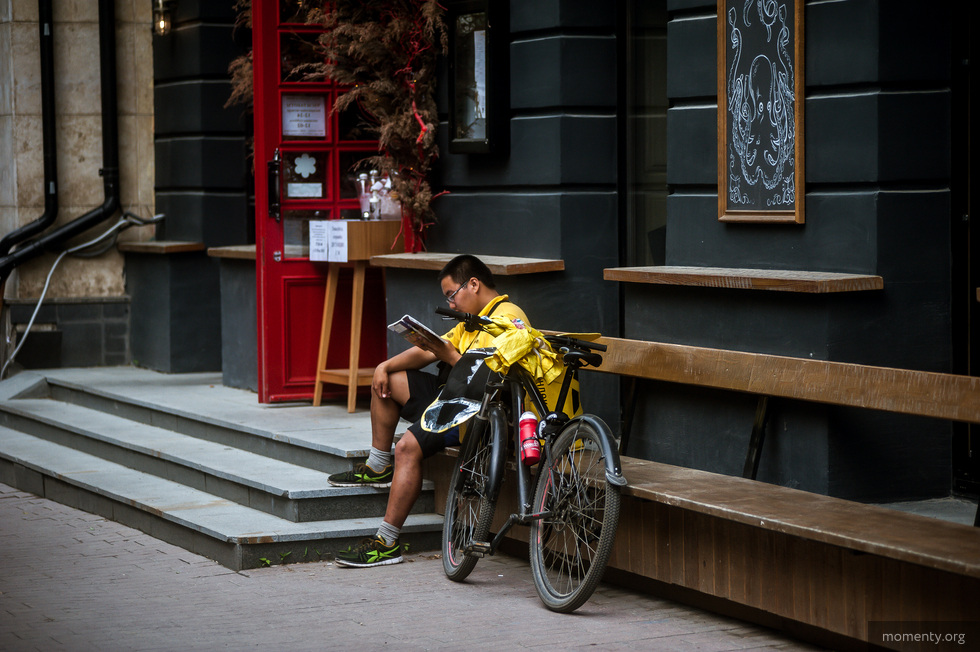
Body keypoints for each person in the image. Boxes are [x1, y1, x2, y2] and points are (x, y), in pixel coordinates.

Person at [328, 254, 531, 568]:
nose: (450, 304)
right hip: (449, 395)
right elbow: (428, 350)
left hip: (475, 413)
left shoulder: (508, 318)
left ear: (473, 284)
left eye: (452, 295)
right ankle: (379, 465)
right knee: (386, 381)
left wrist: (448, 354)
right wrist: (384, 365)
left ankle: (386, 542)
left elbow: (492, 382)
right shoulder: (473, 317)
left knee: (407, 447)